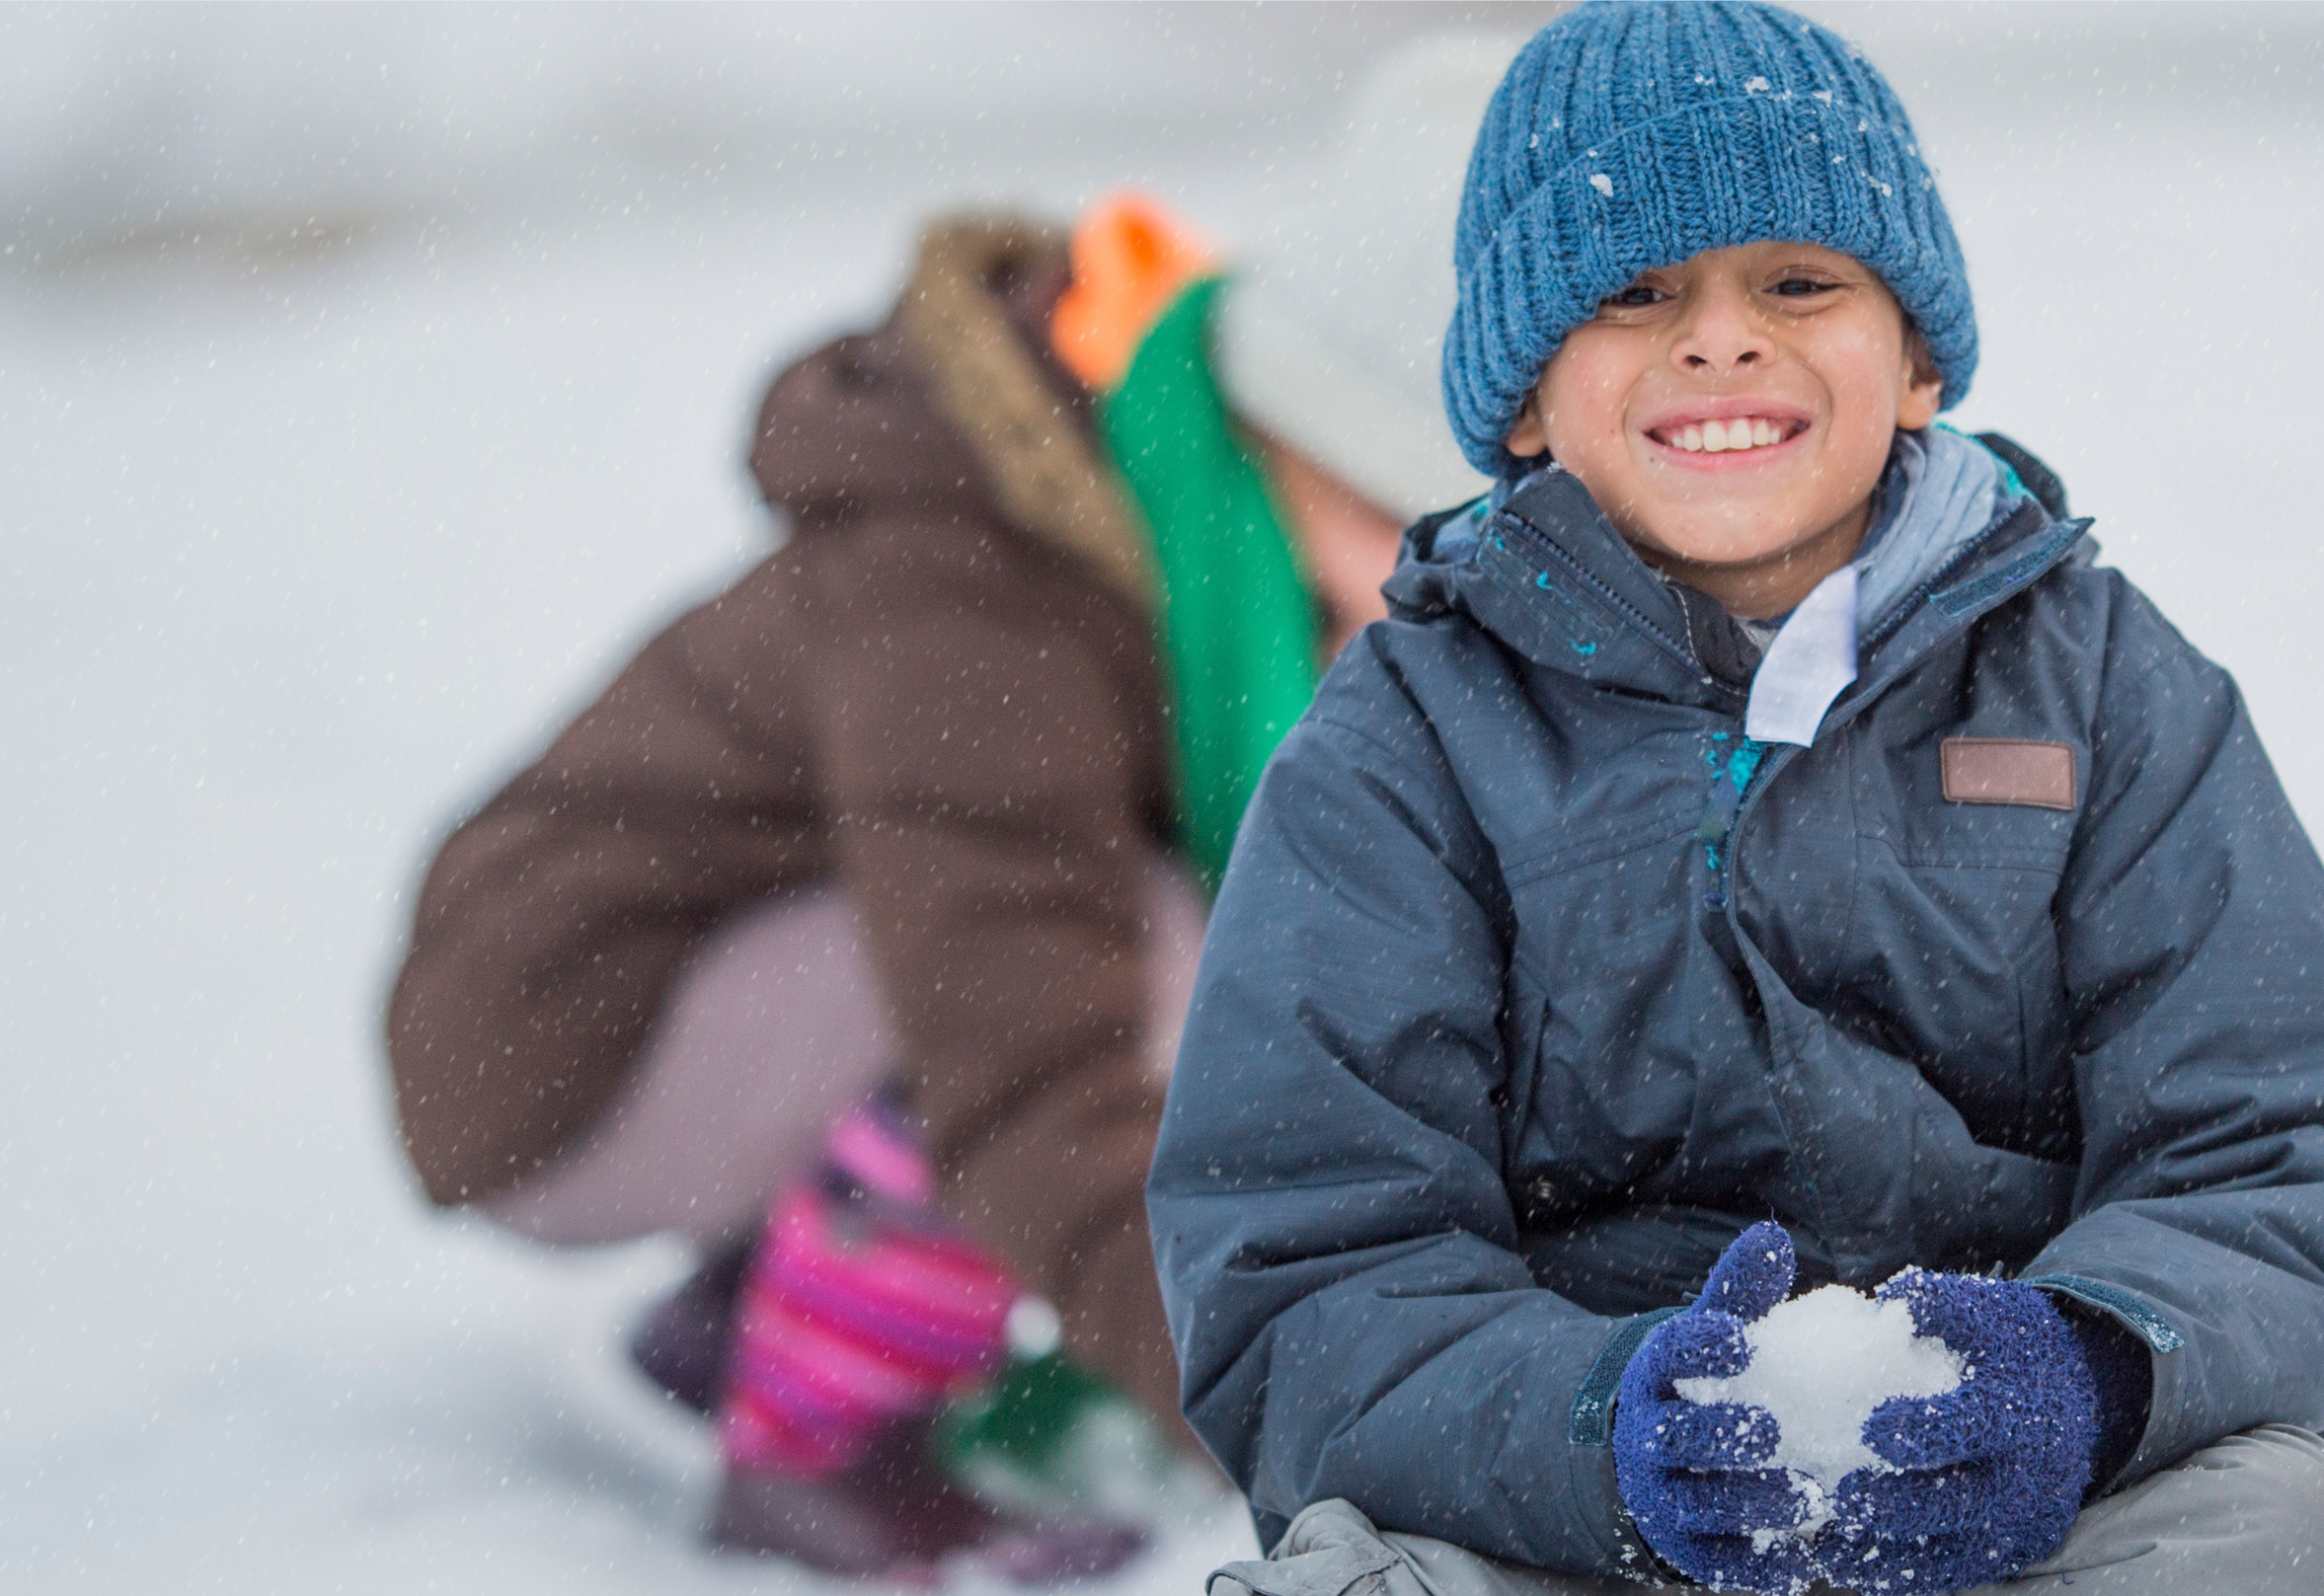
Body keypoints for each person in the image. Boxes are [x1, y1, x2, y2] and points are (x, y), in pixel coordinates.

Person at [1148, 6, 2324, 1595]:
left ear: (1911, 360)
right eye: (1634, 293)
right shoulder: (1401, 745)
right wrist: (1597, 1434)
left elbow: (2302, 1149)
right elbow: (1300, 1263)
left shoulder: (2103, 683)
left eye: (1797, 283)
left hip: (2034, 1521)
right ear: (1517, 401)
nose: (1719, 339)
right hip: (1581, 1535)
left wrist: (2088, 1369)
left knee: (2306, 1539)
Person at [381, 36, 1513, 1581]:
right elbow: (1032, 1066)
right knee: (1152, 960)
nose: (1408, 591)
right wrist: (1284, 1405)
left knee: (1162, 945)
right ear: (1278, 427)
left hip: (767, 975)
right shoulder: (976, 587)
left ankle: (764, 1296)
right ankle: (823, 1436)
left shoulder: (1182, 518)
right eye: (1391, 518)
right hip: (551, 1050)